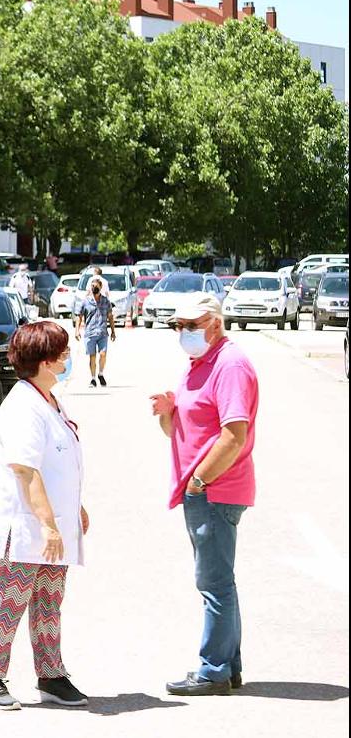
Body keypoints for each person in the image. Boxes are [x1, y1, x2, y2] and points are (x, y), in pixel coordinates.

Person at [0, 321, 89, 710]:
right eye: (62, 352)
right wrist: (48, 524)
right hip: (25, 525)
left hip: (52, 524)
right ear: (45, 360)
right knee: (9, 601)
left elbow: (60, 461)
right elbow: (26, 470)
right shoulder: (23, 406)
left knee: (48, 601)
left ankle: (51, 675)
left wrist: (75, 508)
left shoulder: (51, 399)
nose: (68, 358)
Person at [150, 294, 258, 697]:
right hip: (205, 488)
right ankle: (228, 666)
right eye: (178, 326)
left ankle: (213, 670)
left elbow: (234, 436)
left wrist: (200, 480)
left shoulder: (230, 365)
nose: (183, 333)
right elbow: (179, 433)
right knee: (219, 580)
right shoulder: (201, 363)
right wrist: (169, 411)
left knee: (213, 582)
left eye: (190, 326)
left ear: (214, 323)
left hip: (215, 490)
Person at [74, 279, 116, 387]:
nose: (94, 288)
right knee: (92, 357)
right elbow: (79, 316)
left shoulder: (106, 301)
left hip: (102, 333)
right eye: (92, 286)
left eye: (96, 286)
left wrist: (113, 331)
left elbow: (110, 316)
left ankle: (100, 374)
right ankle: (93, 379)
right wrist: (77, 331)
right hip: (90, 333)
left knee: (103, 354)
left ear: (101, 287)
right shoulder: (86, 301)